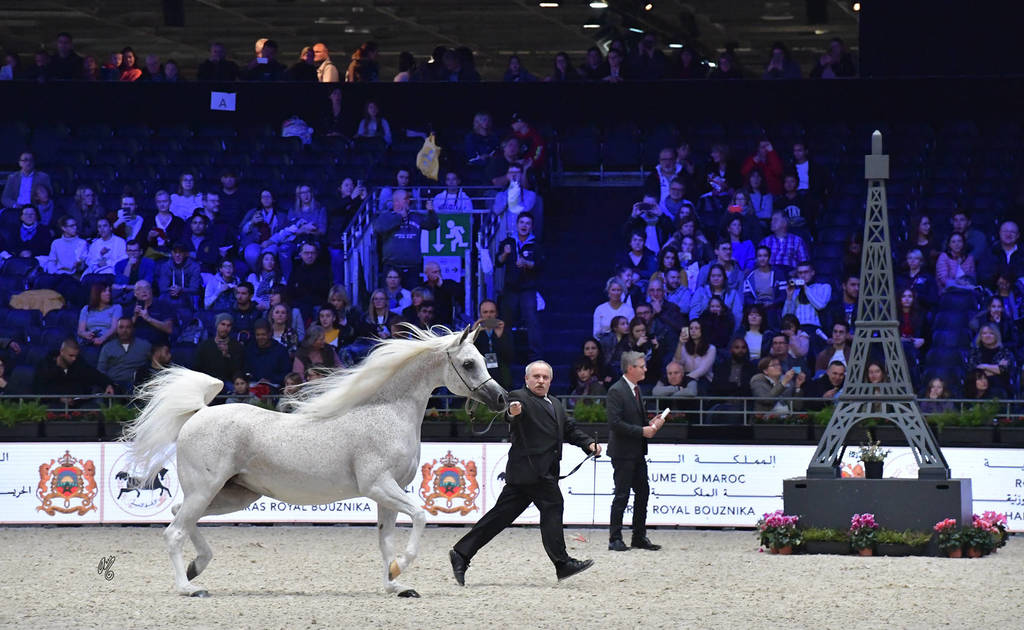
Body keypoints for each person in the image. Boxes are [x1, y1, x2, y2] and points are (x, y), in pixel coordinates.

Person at [449, 361, 599, 585]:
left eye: (545, 377)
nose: (540, 380)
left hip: (534, 474)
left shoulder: (556, 404)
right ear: (527, 379)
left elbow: (569, 430)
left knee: (499, 517)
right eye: (536, 376)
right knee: (553, 505)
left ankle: (461, 553)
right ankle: (562, 563)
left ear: (550, 380)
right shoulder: (518, 396)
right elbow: (509, 414)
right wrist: (512, 412)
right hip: (531, 471)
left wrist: (589, 444)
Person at [606, 351, 663, 551]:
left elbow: (633, 421)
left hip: (637, 451)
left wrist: (651, 424)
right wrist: (642, 430)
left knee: (643, 493)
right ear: (630, 368)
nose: (645, 369)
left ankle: (639, 536)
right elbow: (615, 423)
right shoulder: (616, 390)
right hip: (622, 453)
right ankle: (615, 538)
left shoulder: (636, 390)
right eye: (642, 366)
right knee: (621, 494)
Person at [372, 189, 439, 288]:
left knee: (414, 298)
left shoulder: (416, 216)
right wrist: (400, 217)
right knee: (389, 298)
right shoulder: (386, 216)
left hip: (413, 268)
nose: (409, 201)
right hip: (392, 267)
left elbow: (433, 225)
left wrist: (431, 212)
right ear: (396, 201)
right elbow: (379, 228)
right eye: (406, 199)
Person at [33, 338, 115, 407]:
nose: (74, 359)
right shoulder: (45, 365)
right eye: (71, 356)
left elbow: (95, 374)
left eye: (76, 356)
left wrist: (107, 384)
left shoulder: (79, 363)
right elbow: (39, 389)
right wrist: (59, 398)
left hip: (77, 405)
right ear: (61, 352)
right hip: (53, 404)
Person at [97, 317, 152, 393]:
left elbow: (153, 366)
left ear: (133, 329)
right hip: (114, 384)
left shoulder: (145, 346)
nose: (124, 330)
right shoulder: (107, 347)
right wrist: (108, 384)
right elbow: (101, 370)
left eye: (128, 327)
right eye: (121, 327)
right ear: (117, 330)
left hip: (136, 385)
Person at [195, 313, 246, 387]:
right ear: (217, 325)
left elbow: (238, 370)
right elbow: (197, 367)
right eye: (223, 324)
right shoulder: (205, 345)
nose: (225, 328)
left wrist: (227, 355)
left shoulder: (237, 346)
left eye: (229, 326)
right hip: (209, 383)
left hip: (229, 383)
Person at [474, 299, 513, 389]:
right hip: (481, 373)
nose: (488, 315)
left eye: (492, 312)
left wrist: (500, 336)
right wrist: (473, 333)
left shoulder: (504, 331)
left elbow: (509, 357)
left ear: (496, 314)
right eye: (485, 312)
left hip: (500, 373)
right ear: (480, 314)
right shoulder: (477, 332)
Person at [78, 283, 122, 347]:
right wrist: (86, 334)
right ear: (97, 293)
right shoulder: (86, 309)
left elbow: (114, 328)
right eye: (104, 291)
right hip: (91, 340)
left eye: (109, 291)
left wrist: (102, 338)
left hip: (108, 340)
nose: (108, 293)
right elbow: (80, 331)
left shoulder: (116, 307)